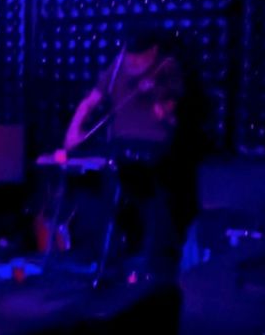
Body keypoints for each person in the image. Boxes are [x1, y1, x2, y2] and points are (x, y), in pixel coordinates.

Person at [62, 27, 206, 281]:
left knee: (157, 202)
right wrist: (73, 133)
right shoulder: (118, 65)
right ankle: (100, 257)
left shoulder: (167, 68)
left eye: (139, 60)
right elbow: (89, 102)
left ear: (153, 52)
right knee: (96, 186)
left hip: (155, 147)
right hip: (120, 144)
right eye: (130, 58)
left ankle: (157, 271)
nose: (133, 64)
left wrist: (158, 104)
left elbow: (170, 116)